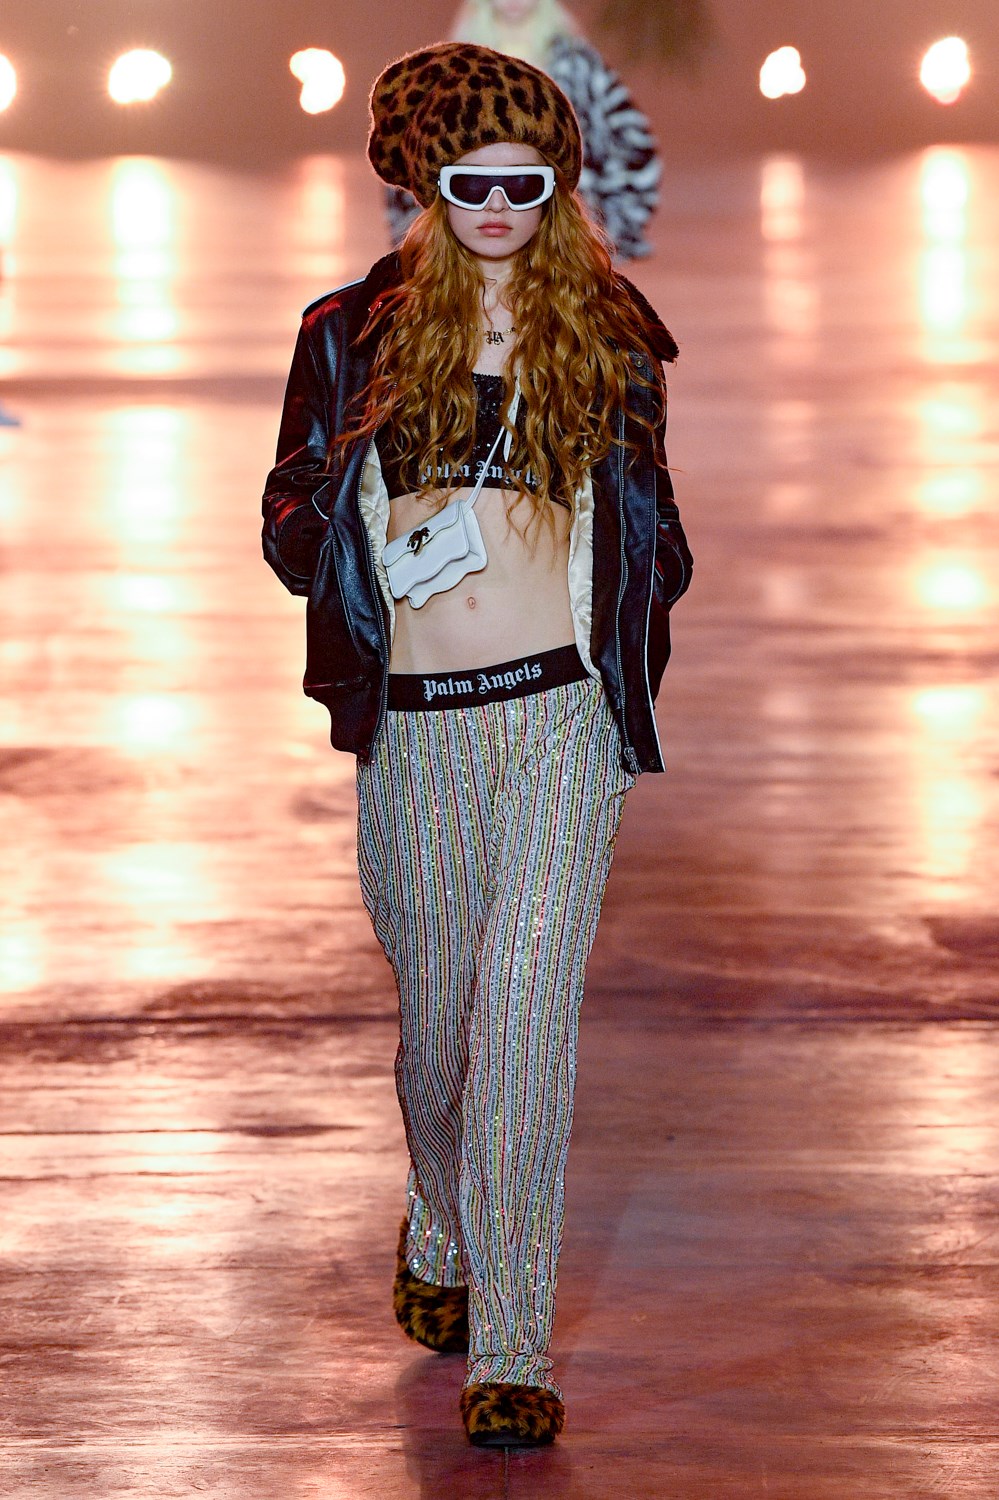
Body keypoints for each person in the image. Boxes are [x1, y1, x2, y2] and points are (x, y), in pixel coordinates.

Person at [261, 42, 692, 1448]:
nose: (500, 208)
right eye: (472, 184)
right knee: (438, 1034)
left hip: (562, 722)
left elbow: (659, 528)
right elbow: (285, 516)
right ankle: (437, 1222)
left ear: (557, 186)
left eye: (526, 184)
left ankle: (512, 1349)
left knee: (522, 1028)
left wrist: (633, 585)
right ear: (424, 184)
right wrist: (358, 534)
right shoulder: (349, 335)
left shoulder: (608, 333)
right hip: (418, 733)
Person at [384, 0, 662, 260]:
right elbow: (416, 146)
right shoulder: (455, 64)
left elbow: (633, 141)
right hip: (466, 225)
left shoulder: (576, 61)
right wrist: (416, 234)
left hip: (555, 228)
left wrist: (608, 227)